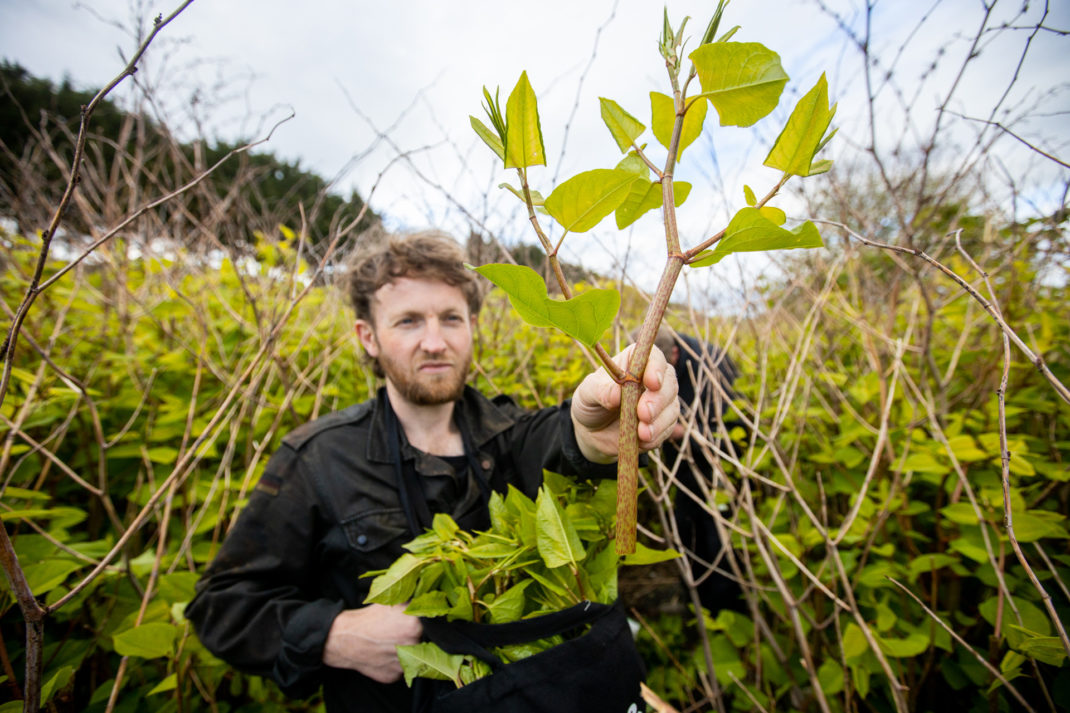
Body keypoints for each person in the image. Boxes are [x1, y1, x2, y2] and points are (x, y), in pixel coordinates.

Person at [185, 231, 679, 713]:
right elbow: (222, 606)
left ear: (472, 327)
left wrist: (593, 432)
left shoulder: (509, 434)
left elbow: (563, 439)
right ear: (369, 337)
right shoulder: (319, 459)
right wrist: (337, 635)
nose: (435, 342)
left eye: (451, 318)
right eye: (408, 322)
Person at [651, 325, 744, 615]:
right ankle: (694, 606)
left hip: (719, 471)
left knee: (717, 537)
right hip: (682, 471)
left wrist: (685, 432)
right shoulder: (665, 363)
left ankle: (726, 613)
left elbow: (734, 432)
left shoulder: (715, 367)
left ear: (675, 353)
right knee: (685, 529)